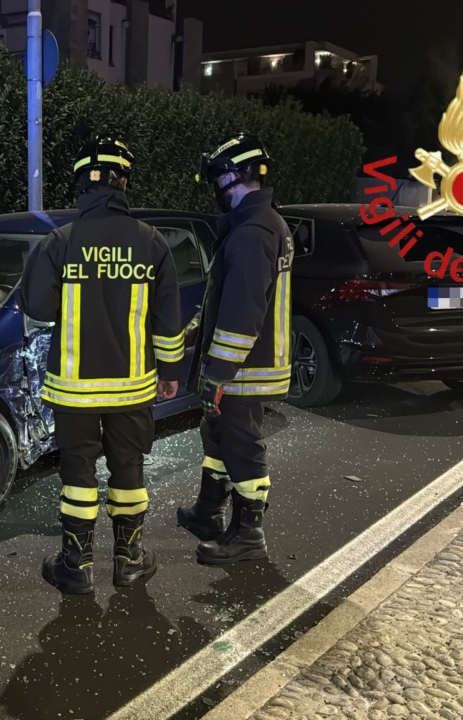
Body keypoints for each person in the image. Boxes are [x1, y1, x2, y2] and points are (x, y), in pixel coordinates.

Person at [18, 137, 186, 594]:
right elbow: (168, 320)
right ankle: (129, 561)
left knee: (78, 471)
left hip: (73, 387)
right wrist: (170, 372)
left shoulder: (60, 242)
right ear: (124, 182)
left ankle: (77, 565)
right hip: (132, 387)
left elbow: (36, 307)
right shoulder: (152, 243)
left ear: (79, 186)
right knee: (128, 466)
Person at [177, 133, 294, 565]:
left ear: (236, 175)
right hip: (244, 364)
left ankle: (248, 536)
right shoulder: (257, 225)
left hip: (246, 369)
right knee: (218, 436)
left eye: (220, 176)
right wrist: (194, 331)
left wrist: (218, 373)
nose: (217, 186)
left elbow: (244, 312)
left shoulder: (253, 231)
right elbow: (223, 299)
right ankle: (209, 512)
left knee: (243, 445)